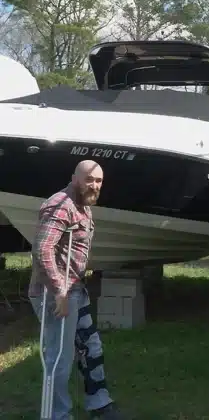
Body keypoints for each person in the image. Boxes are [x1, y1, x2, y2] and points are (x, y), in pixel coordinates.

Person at [28, 160, 123, 420]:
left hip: (75, 290)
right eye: (88, 179)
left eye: (98, 181)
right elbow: (43, 249)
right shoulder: (60, 206)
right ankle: (57, 415)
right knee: (60, 357)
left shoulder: (83, 204)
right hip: (55, 294)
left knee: (91, 346)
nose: (94, 185)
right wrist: (59, 291)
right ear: (74, 178)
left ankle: (99, 403)